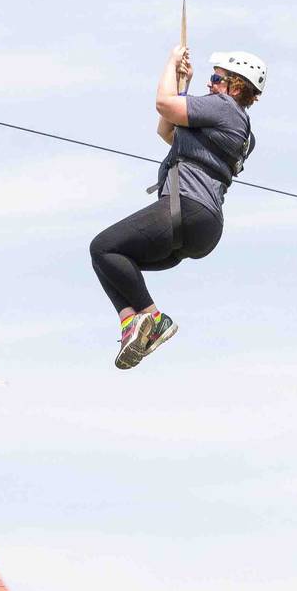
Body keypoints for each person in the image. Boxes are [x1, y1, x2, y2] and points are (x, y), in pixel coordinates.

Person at [90, 43, 264, 369]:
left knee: (103, 248)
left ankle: (153, 318)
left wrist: (171, 62)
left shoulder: (224, 107)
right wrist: (183, 85)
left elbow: (163, 105)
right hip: (201, 229)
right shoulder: (240, 130)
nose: (211, 85)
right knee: (113, 261)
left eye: (217, 78)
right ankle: (133, 325)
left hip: (187, 207)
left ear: (235, 86)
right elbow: (167, 130)